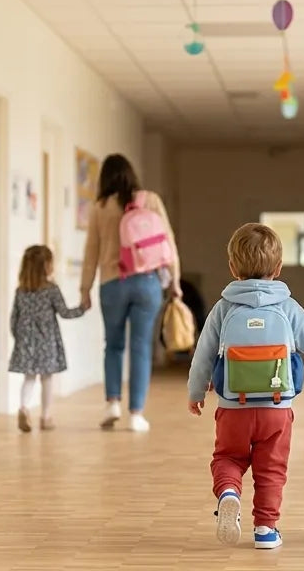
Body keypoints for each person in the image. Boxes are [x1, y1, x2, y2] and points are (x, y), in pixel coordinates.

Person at [188, 224, 304, 550]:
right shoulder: (286, 306)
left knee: (227, 457)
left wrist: (196, 392)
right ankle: (266, 530)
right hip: (276, 409)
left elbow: (202, 353)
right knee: (271, 469)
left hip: (232, 408)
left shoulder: (224, 307)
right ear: (278, 268)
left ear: (232, 268)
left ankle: (229, 492)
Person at [80, 154, 181, 432]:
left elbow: (91, 252)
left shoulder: (100, 206)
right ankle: (136, 413)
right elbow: (167, 242)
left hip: (112, 283)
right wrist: (175, 281)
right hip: (147, 281)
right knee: (141, 347)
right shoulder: (150, 200)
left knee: (112, 345)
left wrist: (85, 288)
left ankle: (112, 402)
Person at [8, 245, 87, 433]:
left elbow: (14, 318)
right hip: (46, 341)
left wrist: (19, 338)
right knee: (46, 379)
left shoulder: (21, 291)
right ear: (46, 266)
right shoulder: (51, 289)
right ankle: (46, 416)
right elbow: (65, 313)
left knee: (29, 377)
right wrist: (82, 308)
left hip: (26, 340)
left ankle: (24, 408)